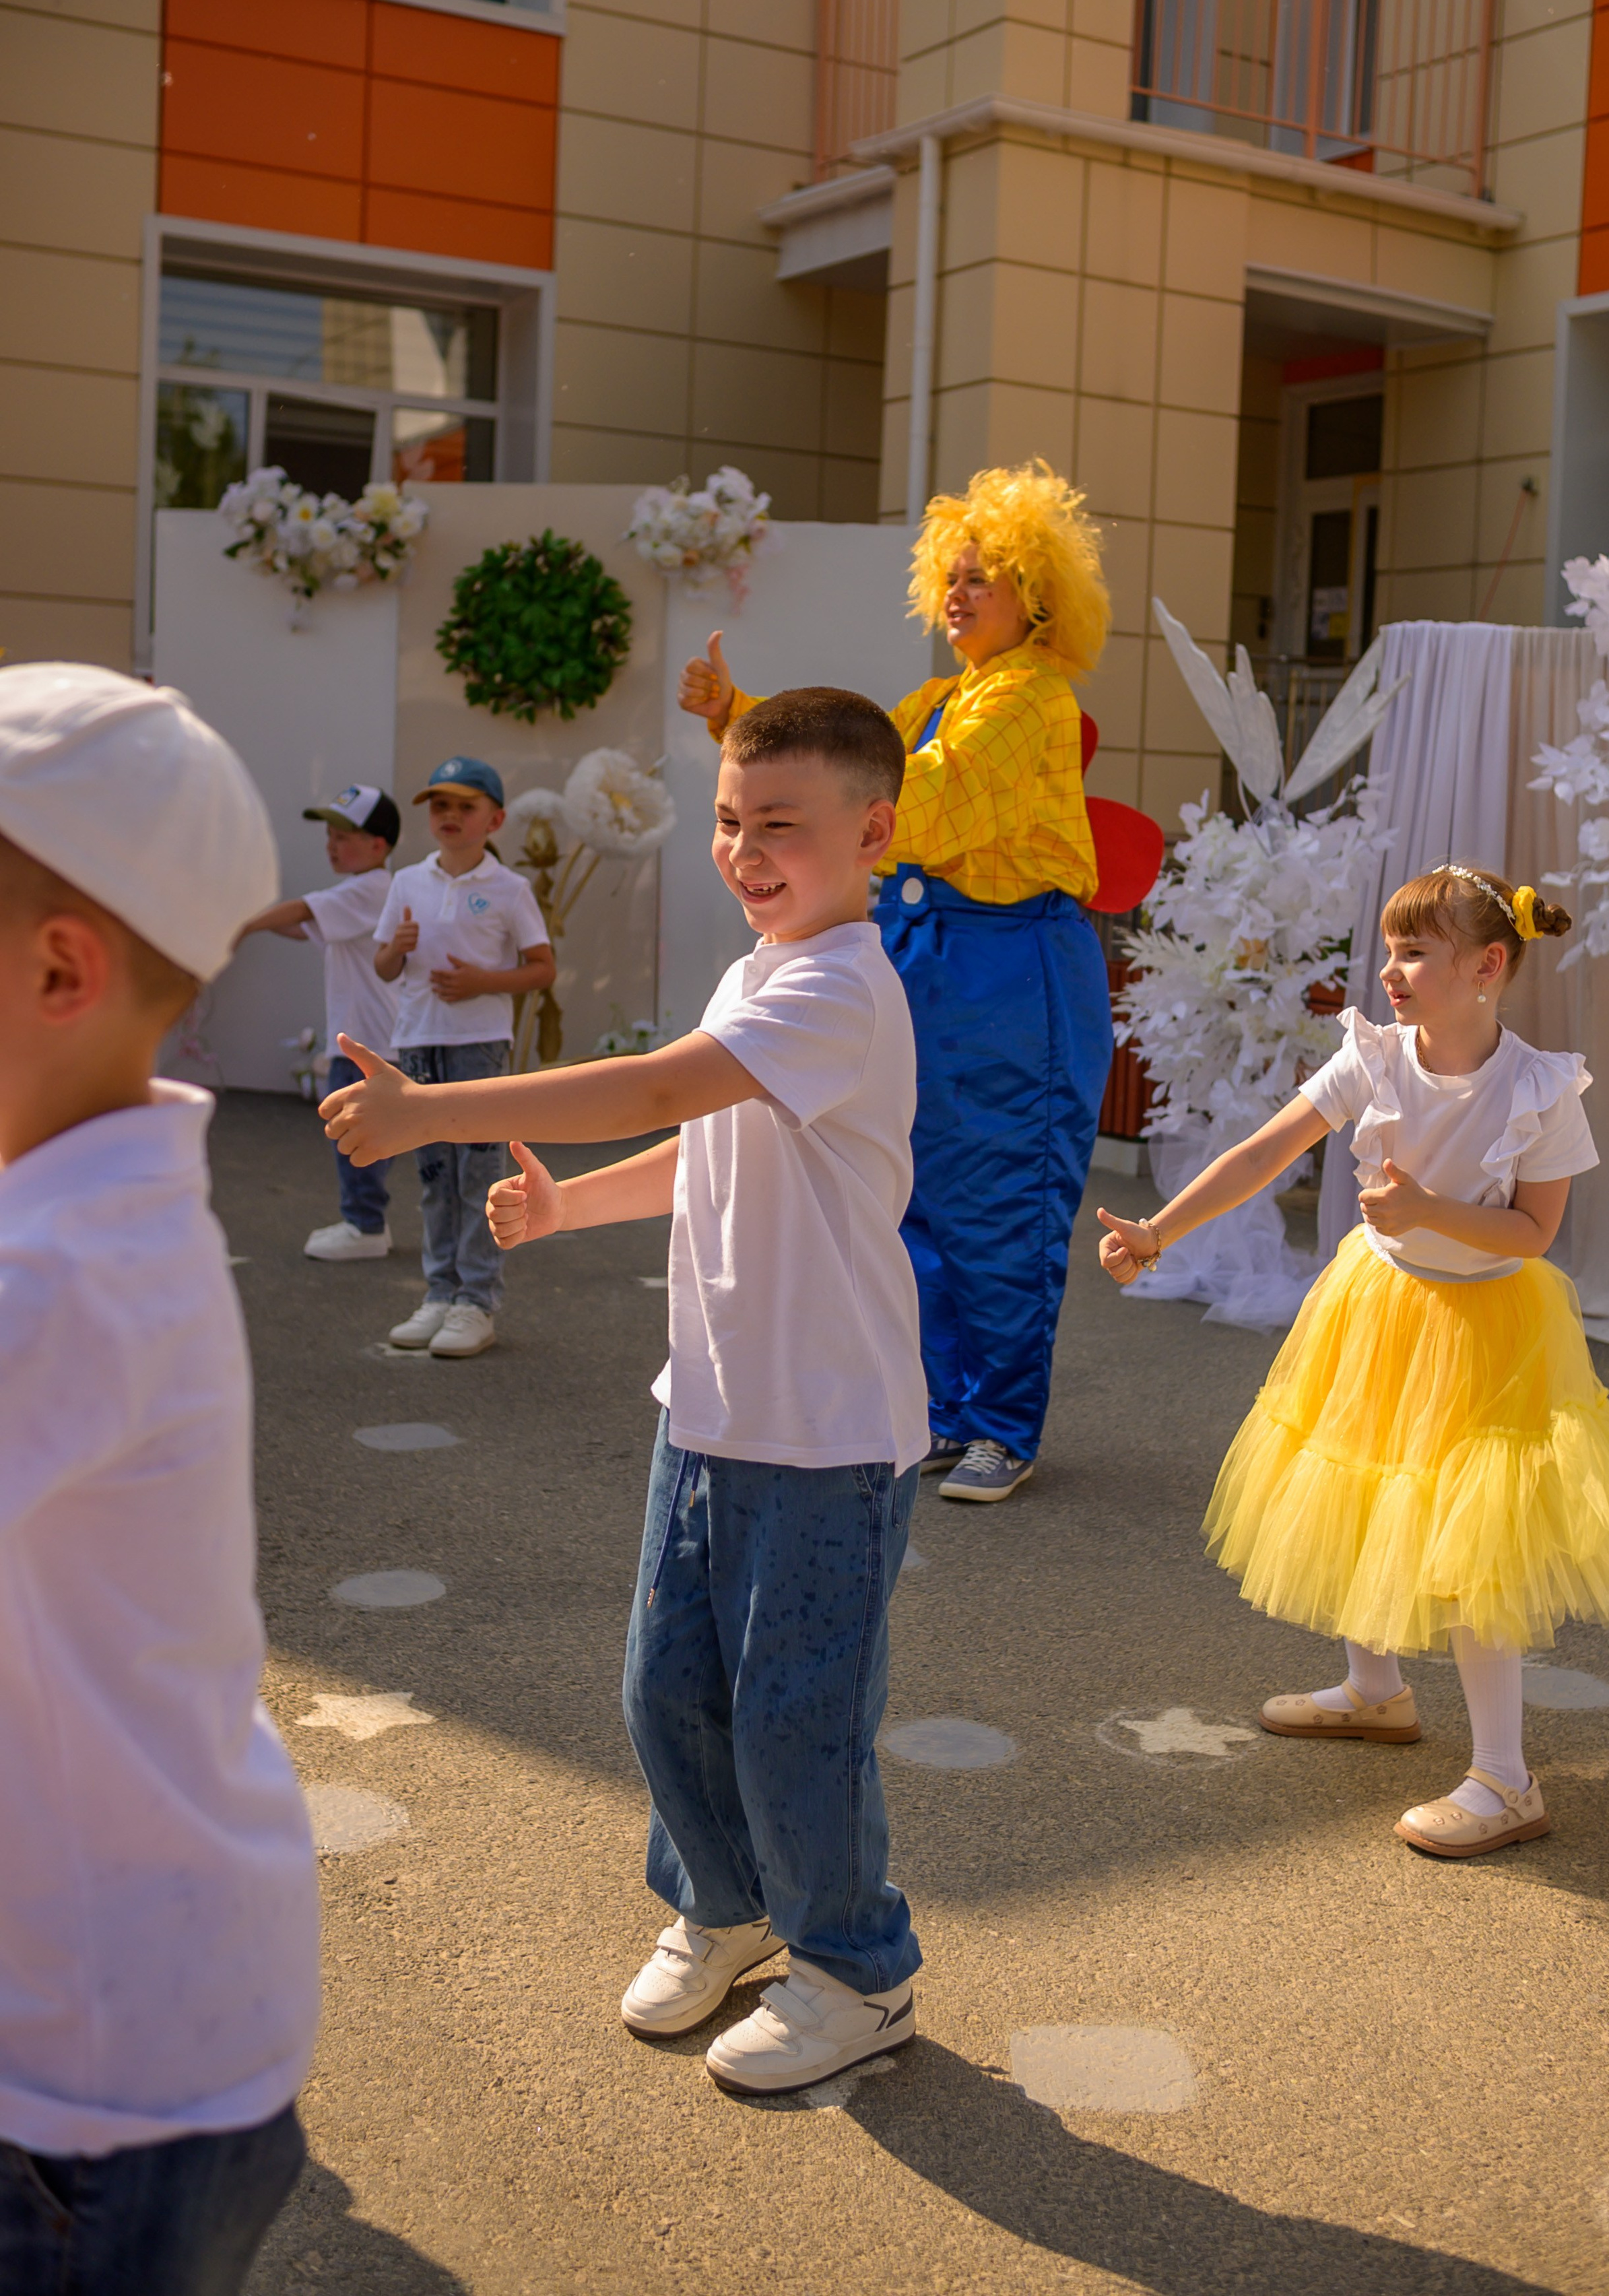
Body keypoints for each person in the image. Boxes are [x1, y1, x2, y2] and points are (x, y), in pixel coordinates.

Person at [321, 688, 927, 2093]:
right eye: (727, 820)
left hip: (826, 1439)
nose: (744, 848)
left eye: (779, 824)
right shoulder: (759, 973)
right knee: (667, 1691)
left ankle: (859, 1970)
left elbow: (651, 1089)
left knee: (798, 1718)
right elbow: (702, 1145)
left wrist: (433, 1108)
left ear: (872, 832)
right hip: (708, 1410)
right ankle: (727, 1911)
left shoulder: (839, 984)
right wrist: (567, 1213)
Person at [1098, 861, 1609, 1859]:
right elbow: (1264, 1151)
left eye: (1415, 951)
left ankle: (1506, 1775)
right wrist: (1157, 1231)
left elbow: (1533, 1232)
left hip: (1487, 1327)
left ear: (1487, 965)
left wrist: (1425, 1211)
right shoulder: (1372, 1060)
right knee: (1363, 1479)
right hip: (1378, 1301)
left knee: (1475, 1541)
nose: (1391, 970)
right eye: (1389, 950)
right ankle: (1376, 1689)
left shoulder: (1539, 1087)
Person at [0, 664, 320, 2292]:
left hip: (87, 2092)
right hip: (154, 2013)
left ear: (60, 966)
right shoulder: (79, 1219)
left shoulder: (60, 1276)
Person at [679, 461, 1113, 1505]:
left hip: (1011, 966)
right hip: (933, 956)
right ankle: (952, 1411)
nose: (959, 594)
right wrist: (741, 710)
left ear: (1037, 598)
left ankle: (1002, 1422)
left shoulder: (1026, 698)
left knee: (1001, 1197)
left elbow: (914, 806)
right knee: (913, 1196)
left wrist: (757, 733)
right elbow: (858, 764)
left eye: (984, 578)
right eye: (951, 577)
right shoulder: (946, 694)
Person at [374, 756, 554, 1358]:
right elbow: (384, 967)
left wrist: (483, 981)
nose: (450, 816)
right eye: (440, 806)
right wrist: (394, 951)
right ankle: (439, 1293)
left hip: (478, 1046)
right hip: (418, 1041)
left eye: (466, 806)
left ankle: (477, 1301)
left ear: (495, 819)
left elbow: (542, 968)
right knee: (432, 1174)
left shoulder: (510, 888)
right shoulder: (407, 881)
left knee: (477, 1175)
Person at [240, 781, 402, 1259]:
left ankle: (365, 1226)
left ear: (379, 845)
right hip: (368, 1039)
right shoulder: (359, 896)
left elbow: (301, 911)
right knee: (363, 1132)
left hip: (365, 1042)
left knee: (354, 1133)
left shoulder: (370, 889)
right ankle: (366, 1222)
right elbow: (302, 926)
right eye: (329, 835)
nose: (332, 845)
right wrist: (257, 918)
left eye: (344, 835)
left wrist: (241, 925)